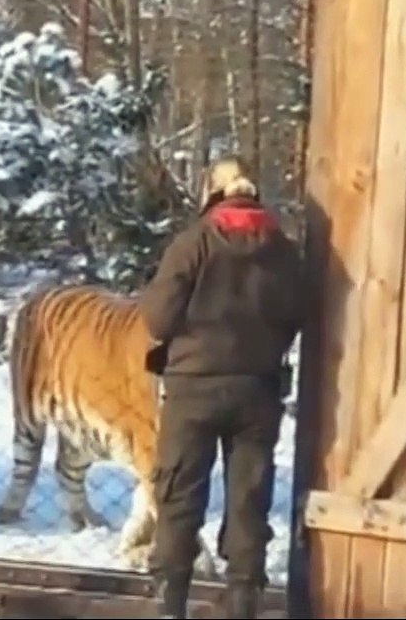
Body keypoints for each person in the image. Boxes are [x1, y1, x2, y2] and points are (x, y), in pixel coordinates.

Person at [137, 156, 304, 619]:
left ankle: (170, 604)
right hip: (258, 390)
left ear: (212, 191)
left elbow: (157, 317)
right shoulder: (285, 249)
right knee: (249, 497)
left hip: (192, 389)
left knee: (179, 493)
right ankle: (243, 600)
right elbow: (298, 313)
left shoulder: (193, 243)